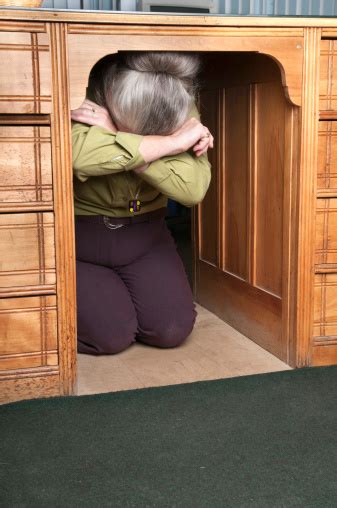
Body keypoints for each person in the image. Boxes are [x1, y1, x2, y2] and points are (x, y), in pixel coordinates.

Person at [71, 52, 213, 355]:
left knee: (171, 329)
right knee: (111, 338)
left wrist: (118, 137)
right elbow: (79, 157)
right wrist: (172, 144)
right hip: (82, 244)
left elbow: (192, 188)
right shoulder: (84, 99)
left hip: (147, 238)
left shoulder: (177, 99)